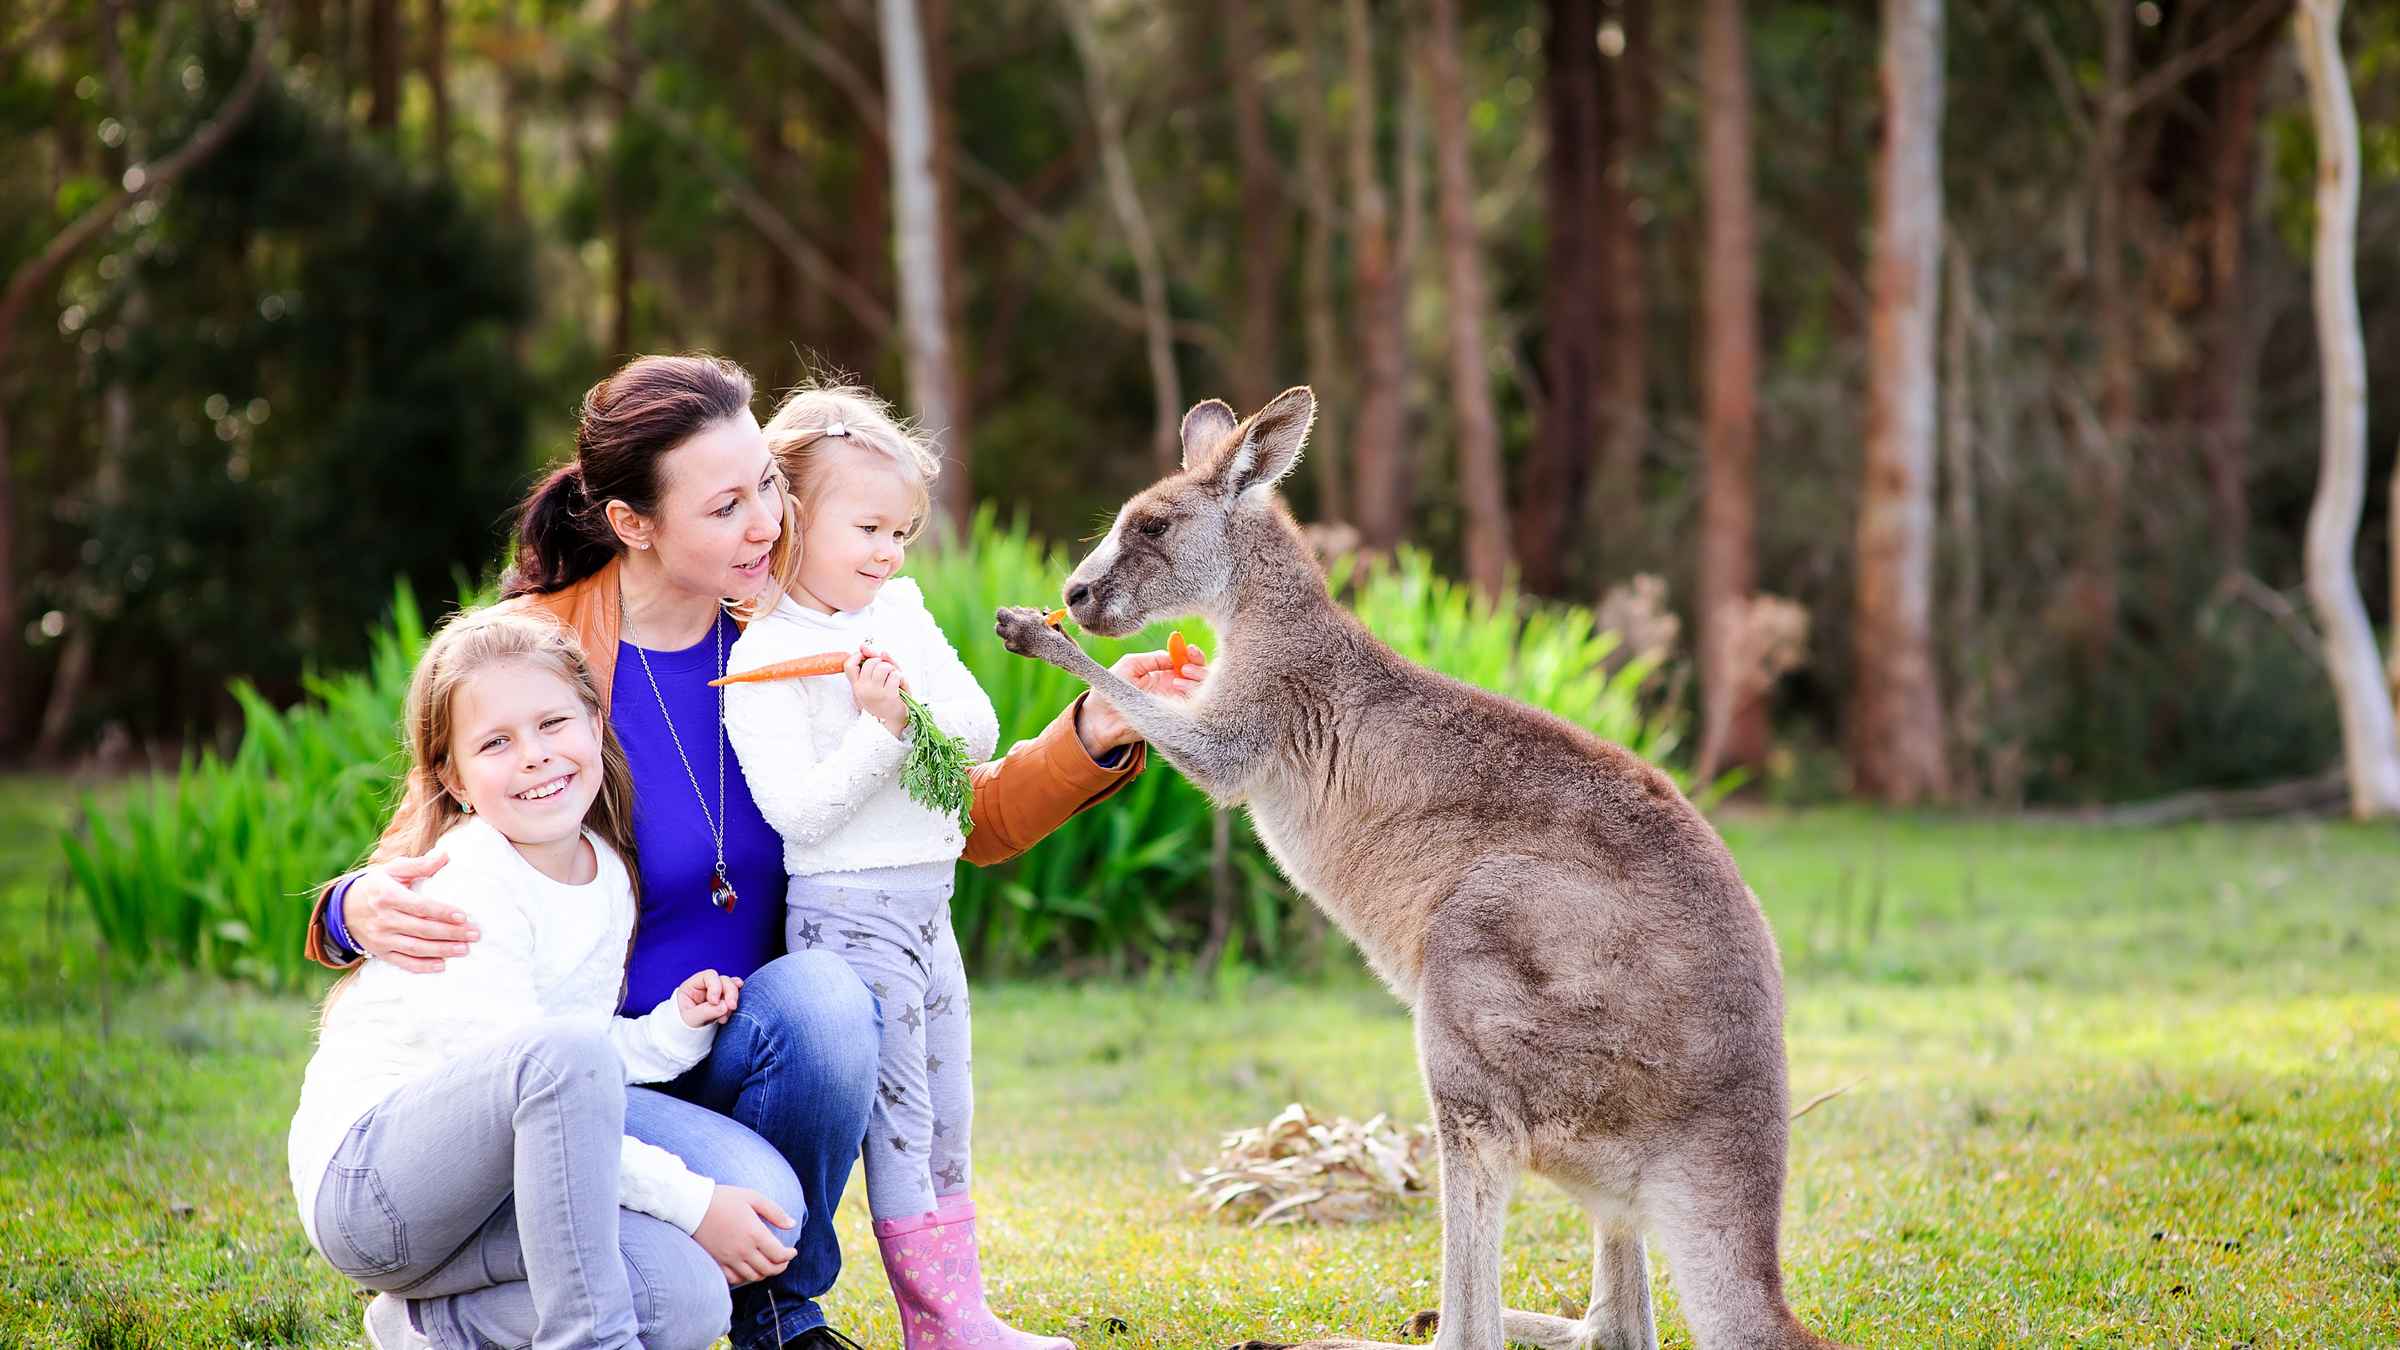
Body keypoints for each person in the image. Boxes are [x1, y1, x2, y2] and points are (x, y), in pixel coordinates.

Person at [303, 353, 1205, 1349]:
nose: (767, 524)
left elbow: (957, 816)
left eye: (768, 487)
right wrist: (347, 907)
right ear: (633, 523)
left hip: (730, 1044)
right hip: (584, 1071)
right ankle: (480, 1293)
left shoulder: (795, 635)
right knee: (721, 1221)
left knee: (825, 999)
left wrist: (1095, 729)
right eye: (725, 505)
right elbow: (428, 850)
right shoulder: (539, 653)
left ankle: (779, 1315)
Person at [290, 606, 759, 1349]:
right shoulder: (470, 878)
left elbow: (578, 1071)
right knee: (562, 1061)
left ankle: (430, 1327)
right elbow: (550, 1067)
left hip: (495, 1203)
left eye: (552, 724)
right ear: (455, 776)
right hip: (376, 1192)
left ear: (594, 722)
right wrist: (694, 1201)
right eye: (497, 742)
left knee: (685, 1298)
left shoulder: (604, 875)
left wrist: (673, 1030)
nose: (535, 756)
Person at [722, 383, 1075, 1348]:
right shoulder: (764, 658)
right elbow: (802, 813)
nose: (888, 553)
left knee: (950, 1106)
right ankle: (943, 1320)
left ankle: (956, 1316)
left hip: (931, 904)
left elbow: (975, 725)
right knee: (902, 1120)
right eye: (869, 527)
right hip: (850, 914)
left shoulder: (901, 612)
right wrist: (885, 731)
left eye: (904, 533)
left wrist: (899, 710)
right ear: (790, 515)